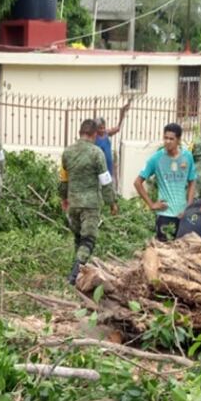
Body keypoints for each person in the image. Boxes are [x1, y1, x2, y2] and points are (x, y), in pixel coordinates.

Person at [60, 119, 118, 284]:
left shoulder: (67, 152)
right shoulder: (96, 152)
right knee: (88, 240)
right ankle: (73, 276)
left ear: (80, 133)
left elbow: (63, 180)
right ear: (94, 134)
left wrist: (64, 198)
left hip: (73, 203)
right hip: (90, 205)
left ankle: (76, 271)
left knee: (78, 238)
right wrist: (112, 202)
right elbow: (105, 181)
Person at [133, 123, 196, 241]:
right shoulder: (156, 158)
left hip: (183, 214)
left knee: (183, 251)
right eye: (165, 138)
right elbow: (137, 183)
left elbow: (192, 181)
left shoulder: (187, 156)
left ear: (178, 140)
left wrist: (189, 206)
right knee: (164, 251)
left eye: (171, 139)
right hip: (164, 215)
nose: (167, 141)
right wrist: (151, 204)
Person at [93, 98, 132, 180]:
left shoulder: (107, 133)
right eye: (100, 128)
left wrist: (123, 111)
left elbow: (118, 128)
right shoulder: (94, 138)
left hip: (109, 167)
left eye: (104, 127)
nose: (103, 129)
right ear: (96, 129)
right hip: (99, 170)